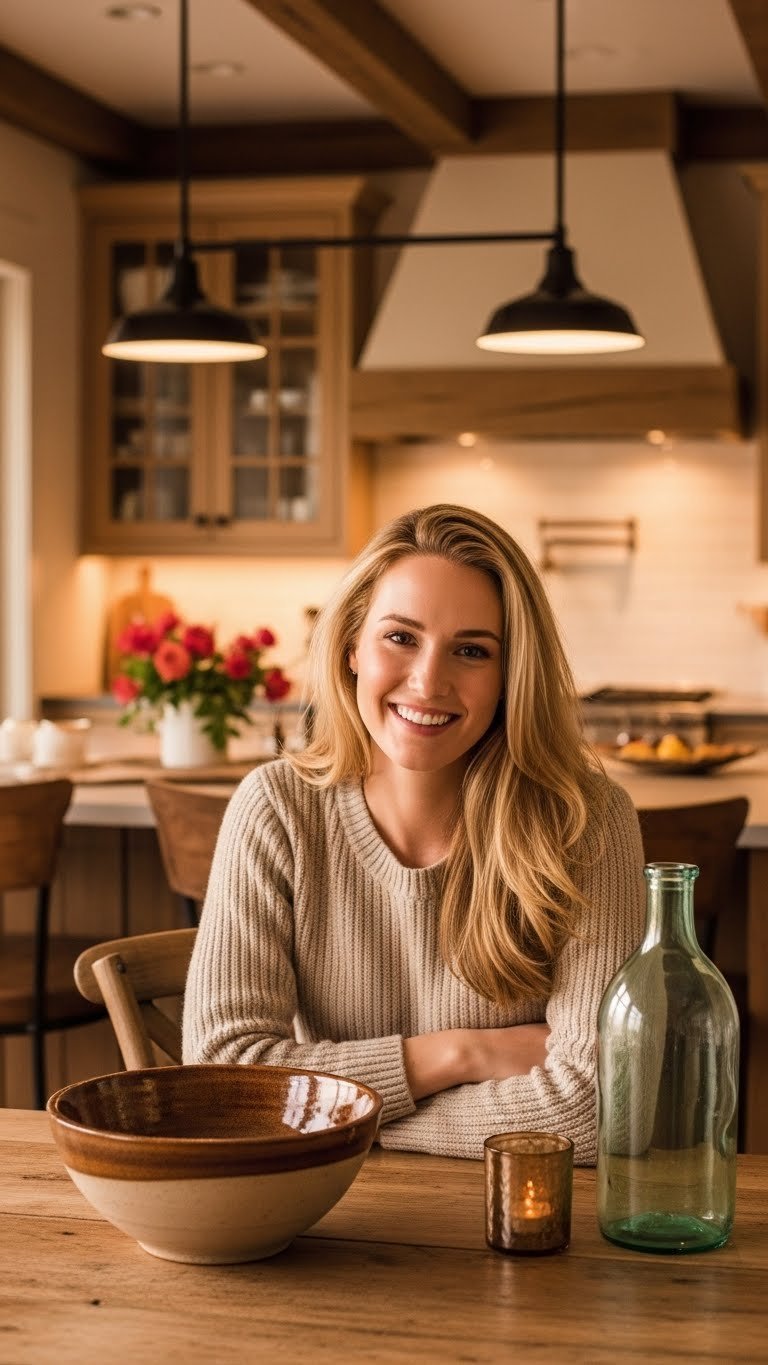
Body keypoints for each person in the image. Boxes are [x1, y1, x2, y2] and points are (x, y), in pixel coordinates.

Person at [182, 503, 645, 1163]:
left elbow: (594, 1106)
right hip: (321, 1225)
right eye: (401, 637)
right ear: (352, 647)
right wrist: (460, 1053)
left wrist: (324, 1120)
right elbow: (224, 1079)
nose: (429, 680)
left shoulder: (587, 819)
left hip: (525, 1228)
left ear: (511, 675)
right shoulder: (276, 808)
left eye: (472, 650)